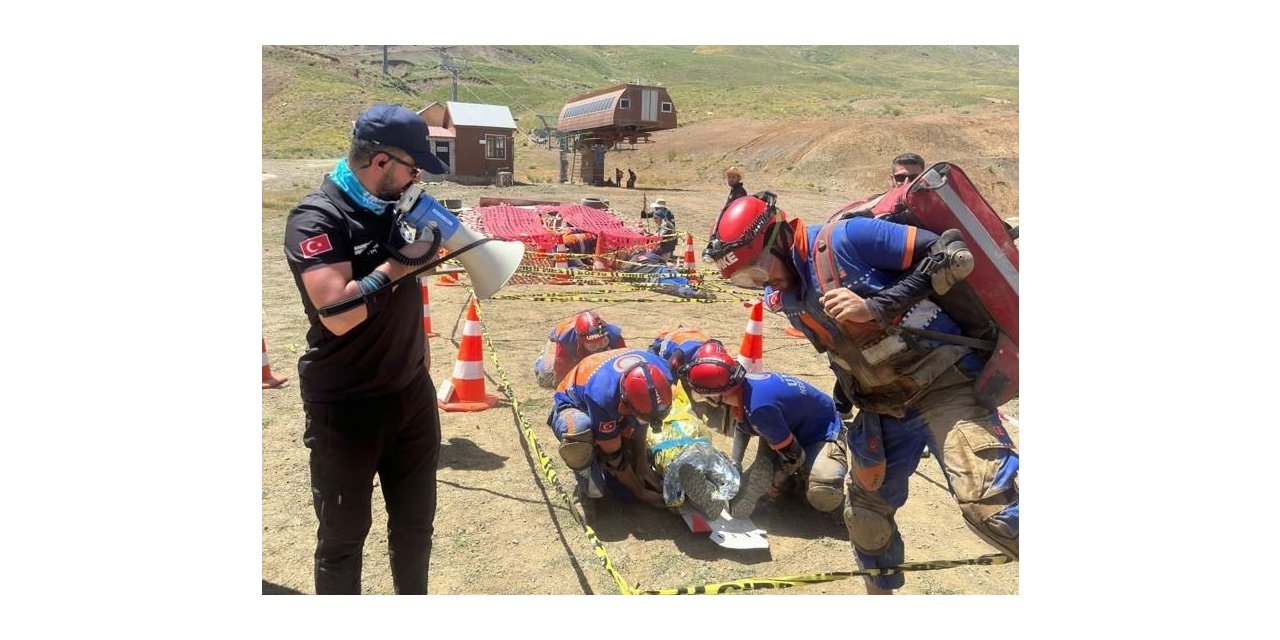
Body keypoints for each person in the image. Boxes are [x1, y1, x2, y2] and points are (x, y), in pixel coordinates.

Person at [703, 194, 1018, 595]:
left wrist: (878, 306)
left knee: (994, 512)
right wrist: (845, 389)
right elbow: (843, 344)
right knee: (866, 518)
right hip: (881, 405)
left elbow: (950, 249)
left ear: (778, 238)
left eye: (759, 268)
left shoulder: (848, 239)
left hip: (943, 385)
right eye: (748, 279)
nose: (762, 281)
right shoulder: (788, 295)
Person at [283, 102, 451, 595]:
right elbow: (337, 315)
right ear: (381, 162)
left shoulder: (394, 208)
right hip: (346, 405)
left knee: (416, 529)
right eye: (411, 168)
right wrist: (398, 266)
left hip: (409, 397)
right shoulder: (316, 218)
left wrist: (419, 358)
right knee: (342, 539)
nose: (415, 179)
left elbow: (407, 295)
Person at [678, 340, 847, 516]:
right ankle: (754, 478)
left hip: (820, 433)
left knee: (823, 490)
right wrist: (735, 463)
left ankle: (791, 481)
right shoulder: (744, 386)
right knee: (761, 470)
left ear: (716, 395)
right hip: (785, 426)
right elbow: (743, 427)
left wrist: (775, 484)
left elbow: (794, 455)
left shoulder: (759, 408)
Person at [548, 348, 674, 507]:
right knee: (580, 434)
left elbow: (644, 420)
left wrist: (641, 465)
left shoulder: (663, 374)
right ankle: (587, 490)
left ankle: (616, 454)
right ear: (624, 404)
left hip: (615, 399)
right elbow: (614, 455)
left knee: (624, 494)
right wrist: (641, 493)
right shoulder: (602, 398)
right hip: (573, 403)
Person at [532, 310, 627, 389]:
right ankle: (541, 360)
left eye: (603, 342)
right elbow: (561, 373)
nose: (599, 349)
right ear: (580, 342)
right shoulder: (566, 341)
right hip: (559, 337)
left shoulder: (614, 336)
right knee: (547, 377)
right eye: (593, 346)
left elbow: (625, 362)